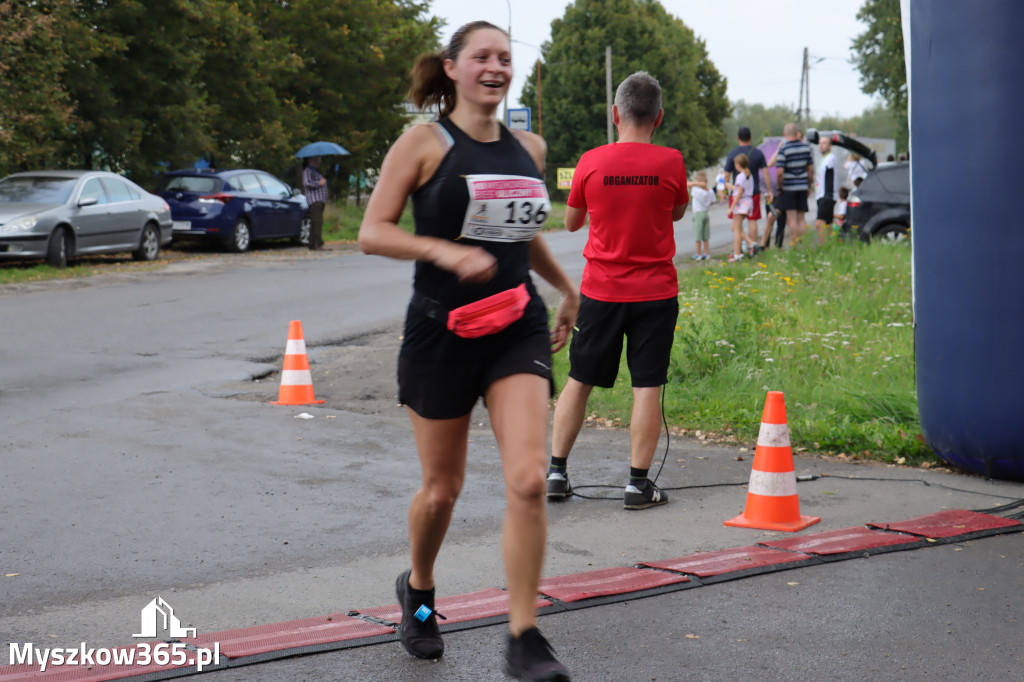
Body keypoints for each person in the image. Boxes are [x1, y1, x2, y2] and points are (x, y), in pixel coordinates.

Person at [357, 21, 576, 681]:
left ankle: (524, 636)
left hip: (516, 325)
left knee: (530, 479)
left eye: (505, 58)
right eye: (481, 56)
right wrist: (442, 249)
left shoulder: (529, 148)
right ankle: (418, 592)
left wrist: (567, 287)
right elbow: (373, 231)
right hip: (439, 333)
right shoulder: (422, 144)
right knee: (442, 490)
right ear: (451, 69)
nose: (495, 67)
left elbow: (523, 231)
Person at [547, 71, 688, 510]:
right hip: (655, 294)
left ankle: (555, 473)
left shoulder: (590, 161)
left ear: (615, 114)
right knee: (647, 385)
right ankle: (637, 484)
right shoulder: (672, 163)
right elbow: (678, 211)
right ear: (658, 117)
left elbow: (571, 223)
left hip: (601, 292)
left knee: (579, 379)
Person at [723, 127, 767, 255]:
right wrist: (769, 190)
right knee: (752, 220)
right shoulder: (758, 153)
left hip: (739, 197)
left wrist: (725, 191)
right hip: (754, 193)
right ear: (750, 137)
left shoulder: (733, 154)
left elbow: (726, 175)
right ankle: (752, 246)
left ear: (738, 138)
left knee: (736, 226)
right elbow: (765, 173)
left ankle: (741, 249)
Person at [774, 122, 814, 244]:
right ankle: (803, 243)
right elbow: (810, 169)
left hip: (788, 188)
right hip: (802, 187)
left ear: (785, 133)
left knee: (792, 218)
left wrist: (779, 186)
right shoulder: (806, 148)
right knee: (801, 218)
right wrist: (808, 185)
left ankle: (795, 243)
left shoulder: (784, 149)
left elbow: (780, 172)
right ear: (797, 133)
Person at [727, 154, 754, 262]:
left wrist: (731, 207)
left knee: (737, 230)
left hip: (741, 203)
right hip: (747, 202)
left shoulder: (740, 176)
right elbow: (741, 189)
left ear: (738, 164)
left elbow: (739, 193)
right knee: (735, 227)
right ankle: (751, 243)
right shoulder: (748, 175)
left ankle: (737, 254)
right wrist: (731, 187)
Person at [814, 135, 838, 244]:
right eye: (820, 143)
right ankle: (831, 246)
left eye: (824, 143)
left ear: (830, 146)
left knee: (819, 223)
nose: (821, 145)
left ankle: (825, 248)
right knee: (828, 225)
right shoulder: (823, 159)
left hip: (826, 195)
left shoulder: (831, 158)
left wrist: (828, 195)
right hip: (820, 195)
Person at [303, 156, 328, 250]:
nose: (319, 162)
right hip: (315, 200)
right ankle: (318, 243)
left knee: (315, 222)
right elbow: (307, 183)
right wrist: (319, 183)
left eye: (319, 160)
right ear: (312, 161)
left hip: (320, 200)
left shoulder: (316, 171)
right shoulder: (308, 171)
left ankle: (312, 244)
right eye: (317, 160)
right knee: (317, 222)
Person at [689, 171, 714, 261]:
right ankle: (706, 253)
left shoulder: (696, 190)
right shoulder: (710, 191)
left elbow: (688, 184)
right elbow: (712, 201)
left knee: (698, 235)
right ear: (706, 180)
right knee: (705, 236)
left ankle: (698, 254)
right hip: (706, 213)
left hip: (698, 213)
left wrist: (696, 183)